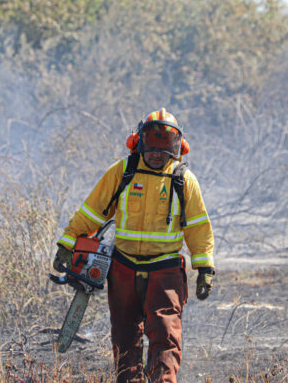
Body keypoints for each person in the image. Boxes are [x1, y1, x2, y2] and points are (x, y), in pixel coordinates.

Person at [53, 108, 215, 383]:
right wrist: (67, 243)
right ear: (138, 142)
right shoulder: (123, 172)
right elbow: (93, 212)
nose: (156, 153)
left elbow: (198, 227)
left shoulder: (182, 180)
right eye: (151, 146)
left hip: (165, 270)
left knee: (165, 333)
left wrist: (205, 267)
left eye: (164, 148)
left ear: (177, 148)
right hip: (124, 266)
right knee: (125, 336)